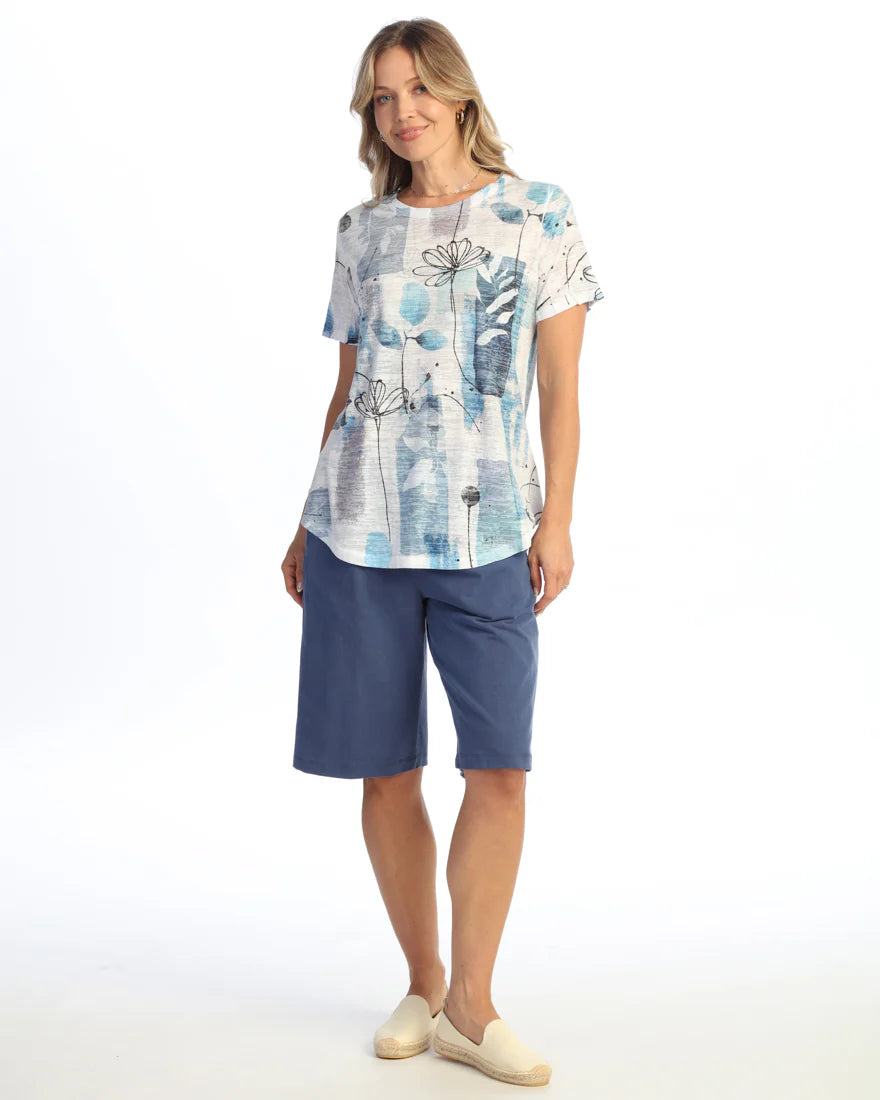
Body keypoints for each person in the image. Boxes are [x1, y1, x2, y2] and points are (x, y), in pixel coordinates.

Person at [281, 18, 603, 1088]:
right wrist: (303, 517)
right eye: (383, 96)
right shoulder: (361, 230)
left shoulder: (538, 214)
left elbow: (560, 389)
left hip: (490, 529)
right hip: (356, 529)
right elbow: (348, 385)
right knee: (386, 771)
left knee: (499, 765)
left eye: (418, 88)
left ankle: (474, 1003)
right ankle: (424, 983)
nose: (402, 111)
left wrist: (557, 520)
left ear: (460, 95)